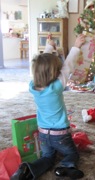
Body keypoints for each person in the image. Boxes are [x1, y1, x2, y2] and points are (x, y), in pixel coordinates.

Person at [11, 34, 86, 180]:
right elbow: (68, 65)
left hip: (43, 134)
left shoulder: (33, 86)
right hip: (61, 135)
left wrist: (49, 47)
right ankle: (66, 165)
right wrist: (76, 46)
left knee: (47, 157)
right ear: (55, 73)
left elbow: (42, 65)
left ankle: (28, 168)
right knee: (72, 154)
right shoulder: (56, 87)